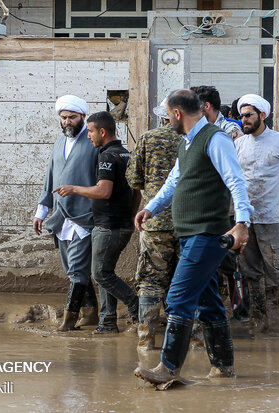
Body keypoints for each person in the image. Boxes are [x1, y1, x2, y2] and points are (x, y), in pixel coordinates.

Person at [133, 89, 254, 386]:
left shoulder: (216, 139)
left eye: (166, 114)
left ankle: (168, 368)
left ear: (176, 114)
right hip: (190, 233)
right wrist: (150, 207)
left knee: (178, 297)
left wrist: (241, 224)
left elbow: (236, 181)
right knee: (208, 301)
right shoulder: (186, 143)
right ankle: (223, 368)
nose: (165, 119)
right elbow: (174, 181)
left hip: (207, 233)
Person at [53, 111, 140, 334]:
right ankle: (107, 322)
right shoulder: (125, 154)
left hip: (108, 225)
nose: (88, 136)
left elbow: (103, 190)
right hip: (120, 223)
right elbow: (136, 189)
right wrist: (131, 214)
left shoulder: (106, 156)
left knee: (101, 274)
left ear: (102, 132)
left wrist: (73, 188)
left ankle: (137, 307)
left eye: (90, 131)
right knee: (105, 272)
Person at [33, 95, 99, 332]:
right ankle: (91, 314)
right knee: (73, 269)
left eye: (72, 117)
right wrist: (41, 212)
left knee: (77, 270)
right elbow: (49, 179)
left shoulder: (93, 143)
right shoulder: (58, 144)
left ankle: (69, 320)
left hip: (85, 216)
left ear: (82, 117)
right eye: (64, 118)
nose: (68, 122)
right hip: (61, 218)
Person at [234, 94, 279, 335]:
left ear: (262, 115)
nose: (244, 120)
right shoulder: (239, 144)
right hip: (245, 220)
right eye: (242, 116)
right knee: (251, 272)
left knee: (278, 270)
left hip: (271, 217)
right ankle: (259, 318)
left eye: (249, 115)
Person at [126, 99, 181, 351]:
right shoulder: (197, 139)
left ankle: (146, 339)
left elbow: (134, 179)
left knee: (150, 280)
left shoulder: (148, 138)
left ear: (163, 116)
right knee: (188, 279)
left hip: (155, 221)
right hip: (188, 223)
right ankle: (193, 340)